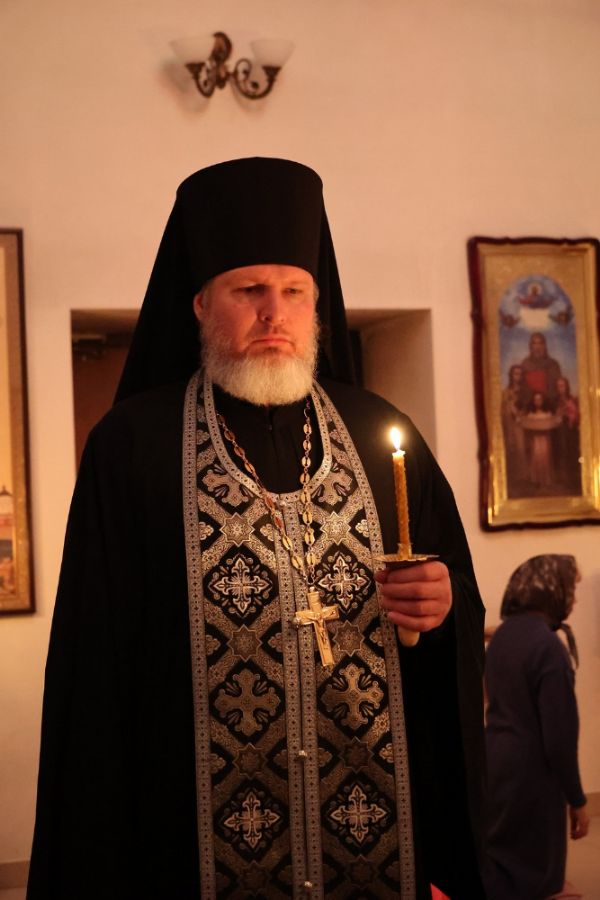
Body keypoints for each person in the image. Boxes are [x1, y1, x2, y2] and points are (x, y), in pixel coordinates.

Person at [27, 158, 486, 899]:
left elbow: (448, 600)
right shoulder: (132, 447)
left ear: (317, 305)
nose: (275, 312)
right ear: (201, 303)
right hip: (189, 842)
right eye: (249, 291)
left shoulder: (380, 435)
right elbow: (93, 667)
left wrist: (444, 603)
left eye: (293, 292)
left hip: (374, 842)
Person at [484, 554, 589, 900]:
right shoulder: (548, 648)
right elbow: (559, 739)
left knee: (502, 864)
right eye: (571, 589)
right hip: (533, 774)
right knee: (536, 881)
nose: (574, 599)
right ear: (551, 591)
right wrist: (577, 800)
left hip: (495, 761)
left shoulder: (502, 636)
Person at [520, 331, 562, 404]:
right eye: (534, 343)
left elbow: (556, 389)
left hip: (549, 405)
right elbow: (521, 388)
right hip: (529, 405)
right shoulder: (525, 364)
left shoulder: (553, 364)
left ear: (544, 346)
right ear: (531, 346)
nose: (537, 347)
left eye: (540, 343)